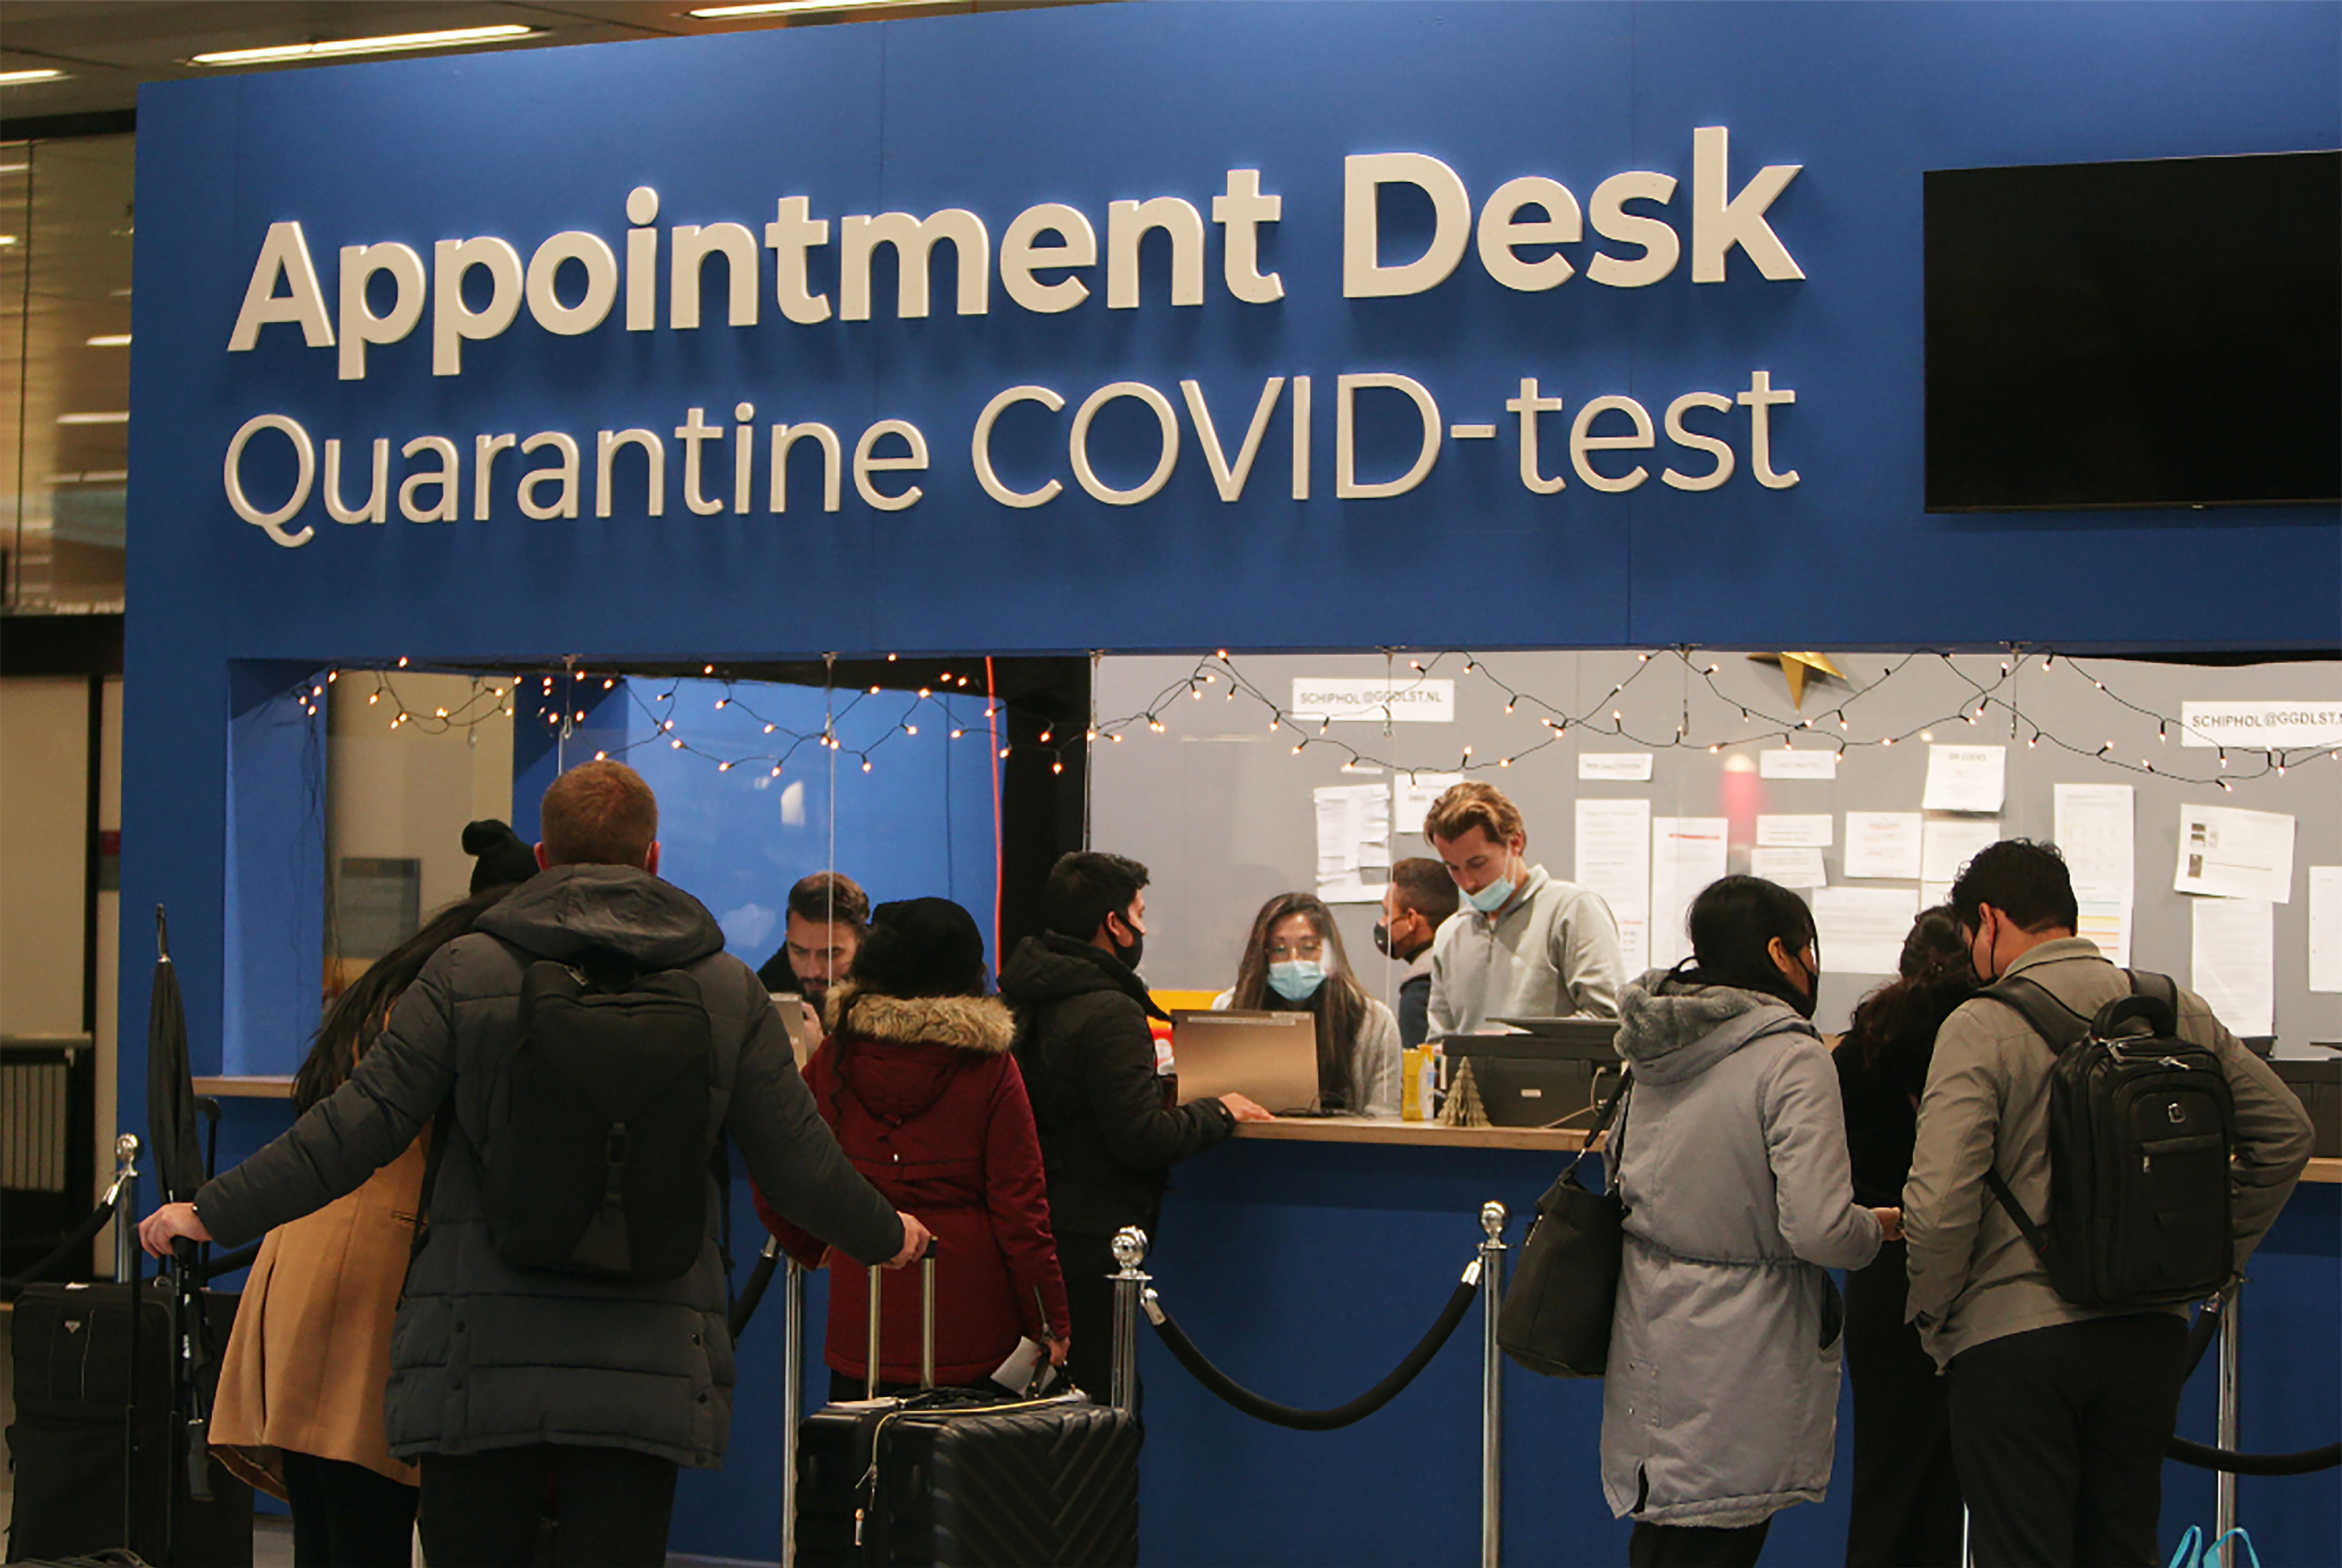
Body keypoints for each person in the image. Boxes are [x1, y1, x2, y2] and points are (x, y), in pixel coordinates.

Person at [141, 761, 929, 1568]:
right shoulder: (725, 991)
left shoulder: (467, 972)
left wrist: (209, 1209)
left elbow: (353, 1125)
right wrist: (886, 1233)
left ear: (544, 856)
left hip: (476, 1357)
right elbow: (801, 1163)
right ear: (653, 857)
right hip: (647, 1366)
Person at [1904, 841, 2313, 1568]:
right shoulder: (2171, 1007)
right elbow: (2285, 1135)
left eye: (1972, 938)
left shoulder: (1978, 1026)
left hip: (2012, 1341)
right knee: (2123, 1548)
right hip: (2147, 1334)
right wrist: (2211, 1263)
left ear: (1990, 921)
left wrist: (1937, 1320)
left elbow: (1939, 1208)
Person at [207, 819, 535, 1568]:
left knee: (325, 1532)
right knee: (365, 1531)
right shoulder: (460, 993)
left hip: (304, 1271)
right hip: (373, 1291)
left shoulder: (394, 979)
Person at [1602, 875, 1893, 1567]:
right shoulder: (1789, 1055)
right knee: (1717, 1541)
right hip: (1744, 1345)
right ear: (1780, 953)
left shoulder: (1654, 1042)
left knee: (1666, 1537)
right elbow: (1820, 1228)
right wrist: (1875, 1230)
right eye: (1807, 948)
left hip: (1650, 1322)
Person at [754, 896, 1072, 1398]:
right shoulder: (989, 1065)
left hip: (865, 1317)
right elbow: (1021, 1210)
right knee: (964, 1471)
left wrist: (812, 1243)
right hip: (973, 1326)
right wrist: (1049, 1318)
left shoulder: (838, 1054)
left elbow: (777, 1165)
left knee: (862, 1467)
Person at [999, 851, 1272, 1405]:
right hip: (1092, 1237)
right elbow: (1140, 1135)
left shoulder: (1024, 991)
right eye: (1140, 912)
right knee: (1103, 1408)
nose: (1144, 926)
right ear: (1114, 924)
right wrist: (1217, 1111)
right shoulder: (1109, 1010)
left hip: (1028, 1227)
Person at [1832, 906, 1973, 1568]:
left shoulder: (1860, 1047)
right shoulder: (1981, 1044)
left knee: (1886, 1475)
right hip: (1971, 1276)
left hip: (1880, 1272)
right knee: (1956, 1487)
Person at [1422, 781, 1626, 1035]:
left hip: (1553, 1075)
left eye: (1478, 863)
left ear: (1515, 842)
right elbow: (1440, 1042)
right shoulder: (1450, 934)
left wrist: (1516, 1044)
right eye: (1453, 868)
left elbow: (1607, 1020)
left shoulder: (1572, 911)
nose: (1467, 882)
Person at [1214, 891, 1401, 1116]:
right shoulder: (1229, 1009)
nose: (1294, 960)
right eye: (1279, 949)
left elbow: (1384, 1115)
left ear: (1329, 951)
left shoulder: (1373, 1020)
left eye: (1308, 948)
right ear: (1264, 954)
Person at [1377, 857, 1458, 1051]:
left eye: (1387, 912)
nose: (1382, 922)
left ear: (1411, 920)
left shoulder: (1420, 988)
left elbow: (1419, 1071)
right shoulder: (1462, 964)